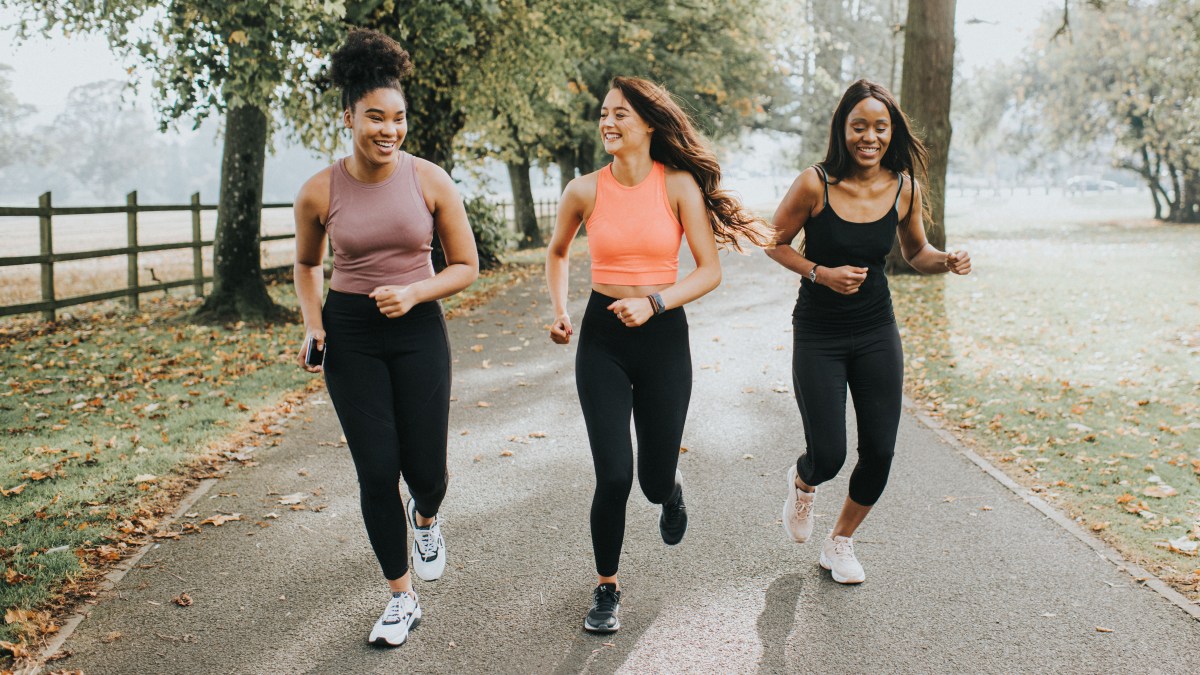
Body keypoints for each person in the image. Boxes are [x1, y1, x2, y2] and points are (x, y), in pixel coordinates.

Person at [546, 76, 769, 633]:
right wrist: (560, 310)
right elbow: (556, 252)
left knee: (649, 479)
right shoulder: (583, 190)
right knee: (614, 474)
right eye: (603, 113)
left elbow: (709, 271)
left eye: (620, 114)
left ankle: (670, 490)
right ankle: (606, 589)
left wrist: (654, 303)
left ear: (648, 123)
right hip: (602, 339)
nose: (608, 123)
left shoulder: (679, 186)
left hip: (663, 337)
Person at [292, 28, 478, 647]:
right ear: (349, 117)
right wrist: (315, 322)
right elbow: (306, 263)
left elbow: (466, 266)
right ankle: (401, 596)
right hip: (352, 334)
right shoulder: (320, 190)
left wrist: (416, 292)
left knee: (426, 469)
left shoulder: (430, 180)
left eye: (398, 118)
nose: (389, 130)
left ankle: (426, 516)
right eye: (375, 117)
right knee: (376, 469)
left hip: (419, 327)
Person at [766, 79, 971, 584]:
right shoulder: (815, 183)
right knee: (830, 454)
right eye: (859, 126)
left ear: (891, 131)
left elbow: (916, 252)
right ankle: (803, 480)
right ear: (843, 129)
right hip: (819, 334)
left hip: (877, 329)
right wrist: (820, 272)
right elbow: (773, 242)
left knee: (880, 449)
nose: (870, 136)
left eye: (880, 127)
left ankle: (840, 543)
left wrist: (945, 260)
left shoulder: (904, 187)